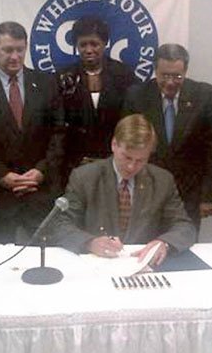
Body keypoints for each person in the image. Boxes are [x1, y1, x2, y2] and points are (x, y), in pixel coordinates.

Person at [0, 21, 65, 248]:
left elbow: (59, 134)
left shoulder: (47, 83)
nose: (15, 56)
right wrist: (2, 176)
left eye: (20, 49)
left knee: (47, 264)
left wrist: (41, 171)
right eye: (8, 50)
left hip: (40, 193)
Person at [52, 114, 196, 266]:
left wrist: (164, 243)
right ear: (114, 145)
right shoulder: (85, 177)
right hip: (97, 265)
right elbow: (60, 224)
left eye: (140, 160)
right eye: (127, 157)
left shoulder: (162, 180)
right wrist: (90, 242)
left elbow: (184, 226)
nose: (131, 167)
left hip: (142, 265)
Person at [124, 43, 212, 227]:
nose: (170, 82)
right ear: (155, 71)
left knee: (183, 247)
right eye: (164, 75)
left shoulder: (206, 95)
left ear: (186, 71)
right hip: (146, 190)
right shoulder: (136, 96)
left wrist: (208, 197)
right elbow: (127, 144)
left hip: (189, 194)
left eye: (177, 76)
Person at [57, 15, 137, 183]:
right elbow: (58, 125)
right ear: (75, 46)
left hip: (116, 163)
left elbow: (131, 121)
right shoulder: (63, 76)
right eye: (83, 44)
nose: (88, 50)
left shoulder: (124, 75)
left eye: (94, 44)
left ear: (105, 44)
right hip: (74, 165)